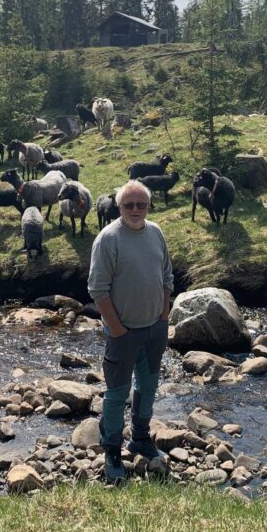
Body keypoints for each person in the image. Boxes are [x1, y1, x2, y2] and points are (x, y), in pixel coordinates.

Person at [88, 179, 174, 483]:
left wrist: (164, 316)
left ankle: (140, 438)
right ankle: (111, 450)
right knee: (116, 394)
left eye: (141, 204)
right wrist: (117, 329)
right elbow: (98, 289)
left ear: (148, 206)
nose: (136, 210)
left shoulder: (156, 232)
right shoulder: (108, 239)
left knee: (148, 387)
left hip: (154, 329)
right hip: (122, 334)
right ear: (119, 207)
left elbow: (166, 276)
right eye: (129, 205)